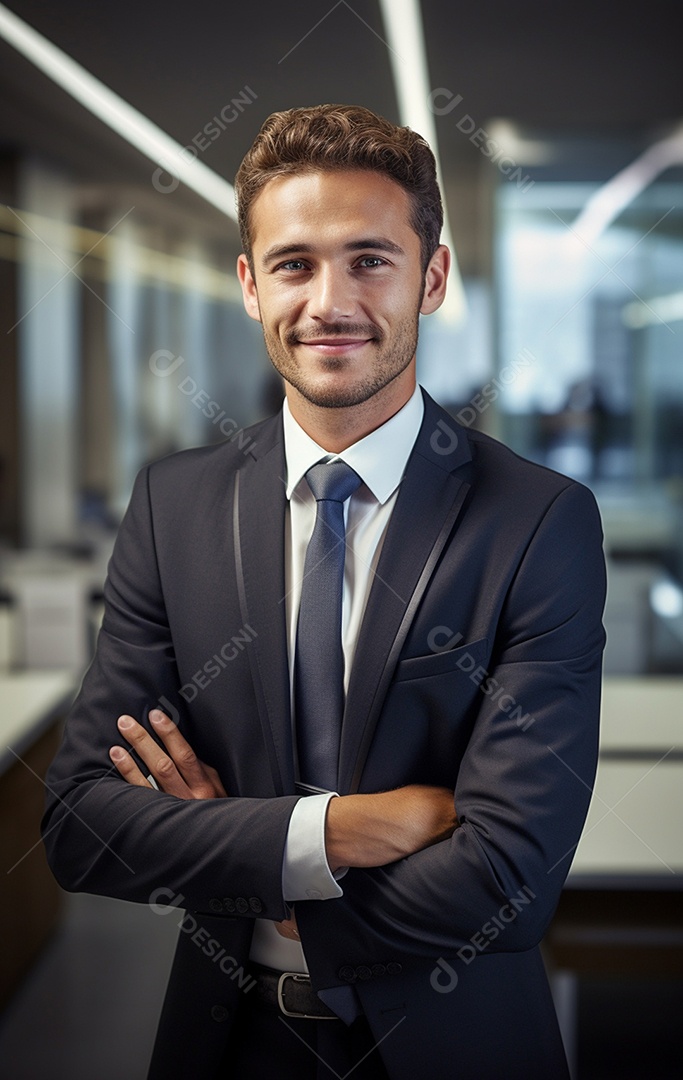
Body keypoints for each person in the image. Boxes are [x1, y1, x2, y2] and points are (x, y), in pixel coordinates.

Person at [42, 104, 606, 1080]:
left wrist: (235, 855)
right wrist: (332, 832)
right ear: (249, 284)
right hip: (226, 1039)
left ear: (430, 279)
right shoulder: (173, 506)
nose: (329, 302)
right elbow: (84, 826)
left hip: (451, 1043)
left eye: (369, 260)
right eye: (295, 263)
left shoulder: (535, 520)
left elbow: (510, 876)